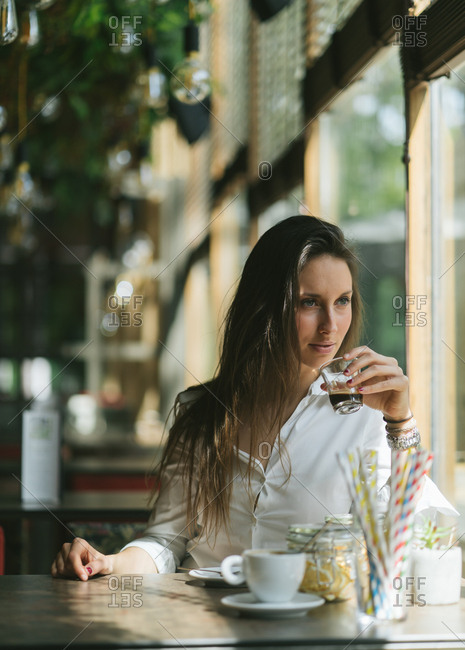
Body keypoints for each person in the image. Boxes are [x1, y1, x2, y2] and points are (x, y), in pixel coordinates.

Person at [51, 215, 456, 580]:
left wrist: (400, 422)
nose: (331, 325)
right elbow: (167, 541)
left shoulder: (366, 417)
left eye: (343, 301)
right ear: (267, 306)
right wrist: (109, 561)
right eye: (309, 302)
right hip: (201, 627)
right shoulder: (202, 413)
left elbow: (403, 544)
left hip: (309, 631)